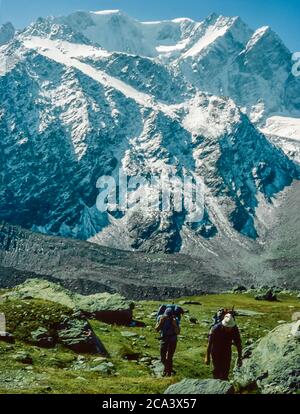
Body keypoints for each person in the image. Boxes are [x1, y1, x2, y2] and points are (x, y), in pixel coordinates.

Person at [205, 313, 242, 381]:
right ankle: (215, 382)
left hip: (227, 349)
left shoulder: (234, 329)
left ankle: (224, 382)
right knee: (217, 369)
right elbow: (209, 343)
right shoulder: (215, 328)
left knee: (226, 369)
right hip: (216, 350)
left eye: (230, 327)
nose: (229, 329)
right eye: (227, 327)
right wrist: (207, 357)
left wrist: (239, 357)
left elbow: (238, 343)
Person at [155, 308, 180, 377]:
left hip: (173, 339)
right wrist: (161, 322)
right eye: (167, 316)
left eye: (169, 316)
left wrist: (175, 324)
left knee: (169, 357)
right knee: (162, 357)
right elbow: (156, 329)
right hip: (164, 338)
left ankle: (168, 373)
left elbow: (178, 332)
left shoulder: (175, 320)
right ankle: (167, 369)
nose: (168, 318)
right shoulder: (160, 318)